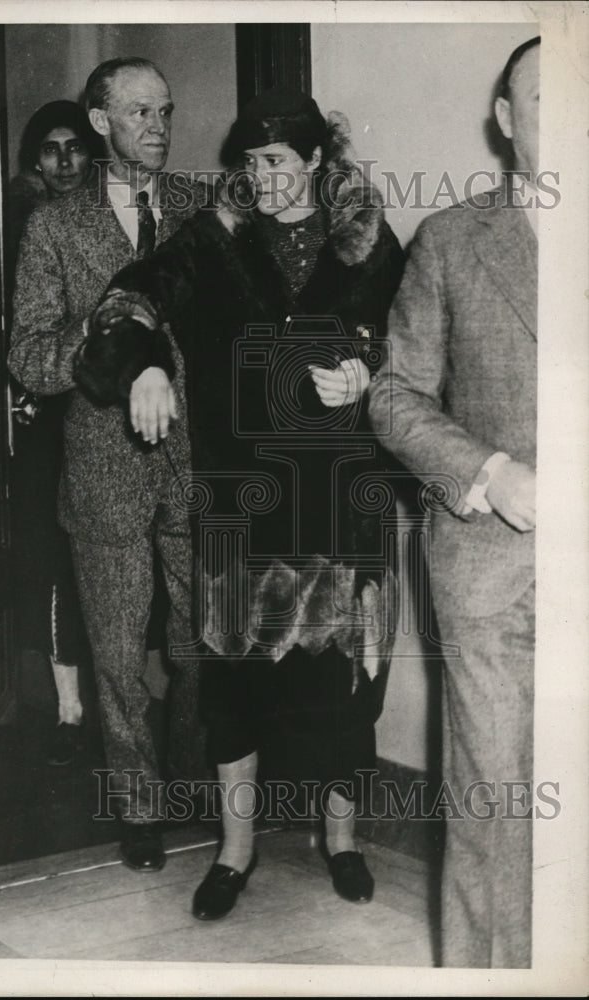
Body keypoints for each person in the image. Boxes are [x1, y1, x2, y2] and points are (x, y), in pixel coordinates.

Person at [80, 88, 405, 920]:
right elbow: (130, 298)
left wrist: (368, 375)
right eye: (250, 162)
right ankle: (234, 850)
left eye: (277, 162)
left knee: (344, 678)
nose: (259, 177)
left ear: (317, 161)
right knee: (233, 680)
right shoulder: (212, 239)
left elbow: (415, 344)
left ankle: (342, 841)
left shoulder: (368, 242)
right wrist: (144, 364)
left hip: (340, 494)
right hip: (238, 497)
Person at [8, 57, 208, 872]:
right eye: (138, 112)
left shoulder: (200, 212)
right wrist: (105, 344)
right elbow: (27, 353)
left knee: (202, 643)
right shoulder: (55, 227)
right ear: (100, 122)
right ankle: (139, 807)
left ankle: (196, 780)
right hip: (103, 470)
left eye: (165, 110)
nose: (157, 126)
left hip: (197, 471)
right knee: (119, 652)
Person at [367, 38, 539, 967]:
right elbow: (392, 396)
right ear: (507, 123)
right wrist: (489, 471)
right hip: (495, 570)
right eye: (550, 100)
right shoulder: (452, 239)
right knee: (496, 808)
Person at [7, 101, 98, 766]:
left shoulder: (108, 221)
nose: (64, 160)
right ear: (34, 159)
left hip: (100, 408)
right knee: (55, 556)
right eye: (50, 149)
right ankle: (67, 706)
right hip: (42, 415)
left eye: (75, 147)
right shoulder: (18, 224)